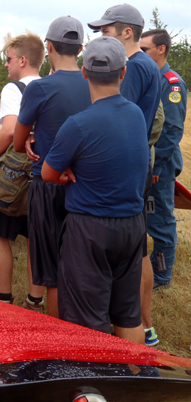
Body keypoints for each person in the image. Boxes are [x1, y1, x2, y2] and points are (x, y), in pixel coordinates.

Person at [43, 36, 149, 344]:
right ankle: (132, 381)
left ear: (85, 73)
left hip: (89, 228)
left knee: (88, 321)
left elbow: (49, 172)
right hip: (132, 224)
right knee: (128, 314)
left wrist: (67, 173)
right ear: (124, 73)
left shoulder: (78, 124)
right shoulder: (136, 115)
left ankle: (96, 386)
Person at [89, 3, 161, 346]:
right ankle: (143, 325)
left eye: (106, 30)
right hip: (136, 160)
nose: (101, 35)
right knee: (137, 247)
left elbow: (111, 114)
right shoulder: (147, 64)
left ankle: (138, 324)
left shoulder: (133, 67)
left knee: (134, 250)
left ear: (126, 32)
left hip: (122, 164)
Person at [12, 16, 91, 317]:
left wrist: (33, 135)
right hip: (83, 183)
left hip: (47, 184)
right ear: (81, 48)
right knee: (81, 266)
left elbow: (19, 144)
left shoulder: (39, 88)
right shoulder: (92, 84)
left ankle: (61, 344)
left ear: (49, 46)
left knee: (53, 274)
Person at [0, 32, 45, 306]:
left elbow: (8, 132)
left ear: (22, 59)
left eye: (8, 60)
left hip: (11, 174)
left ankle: (3, 296)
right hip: (42, 172)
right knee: (35, 237)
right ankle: (35, 298)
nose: (6, 65)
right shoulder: (47, 85)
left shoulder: (13, 89)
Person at [140, 29, 188, 296]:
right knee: (146, 217)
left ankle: (161, 273)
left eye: (145, 50)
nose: (141, 54)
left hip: (161, 164)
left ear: (161, 49)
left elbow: (171, 130)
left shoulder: (171, 83)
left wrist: (156, 168)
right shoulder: (150, 78)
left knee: (159, 219)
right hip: (147, 161)